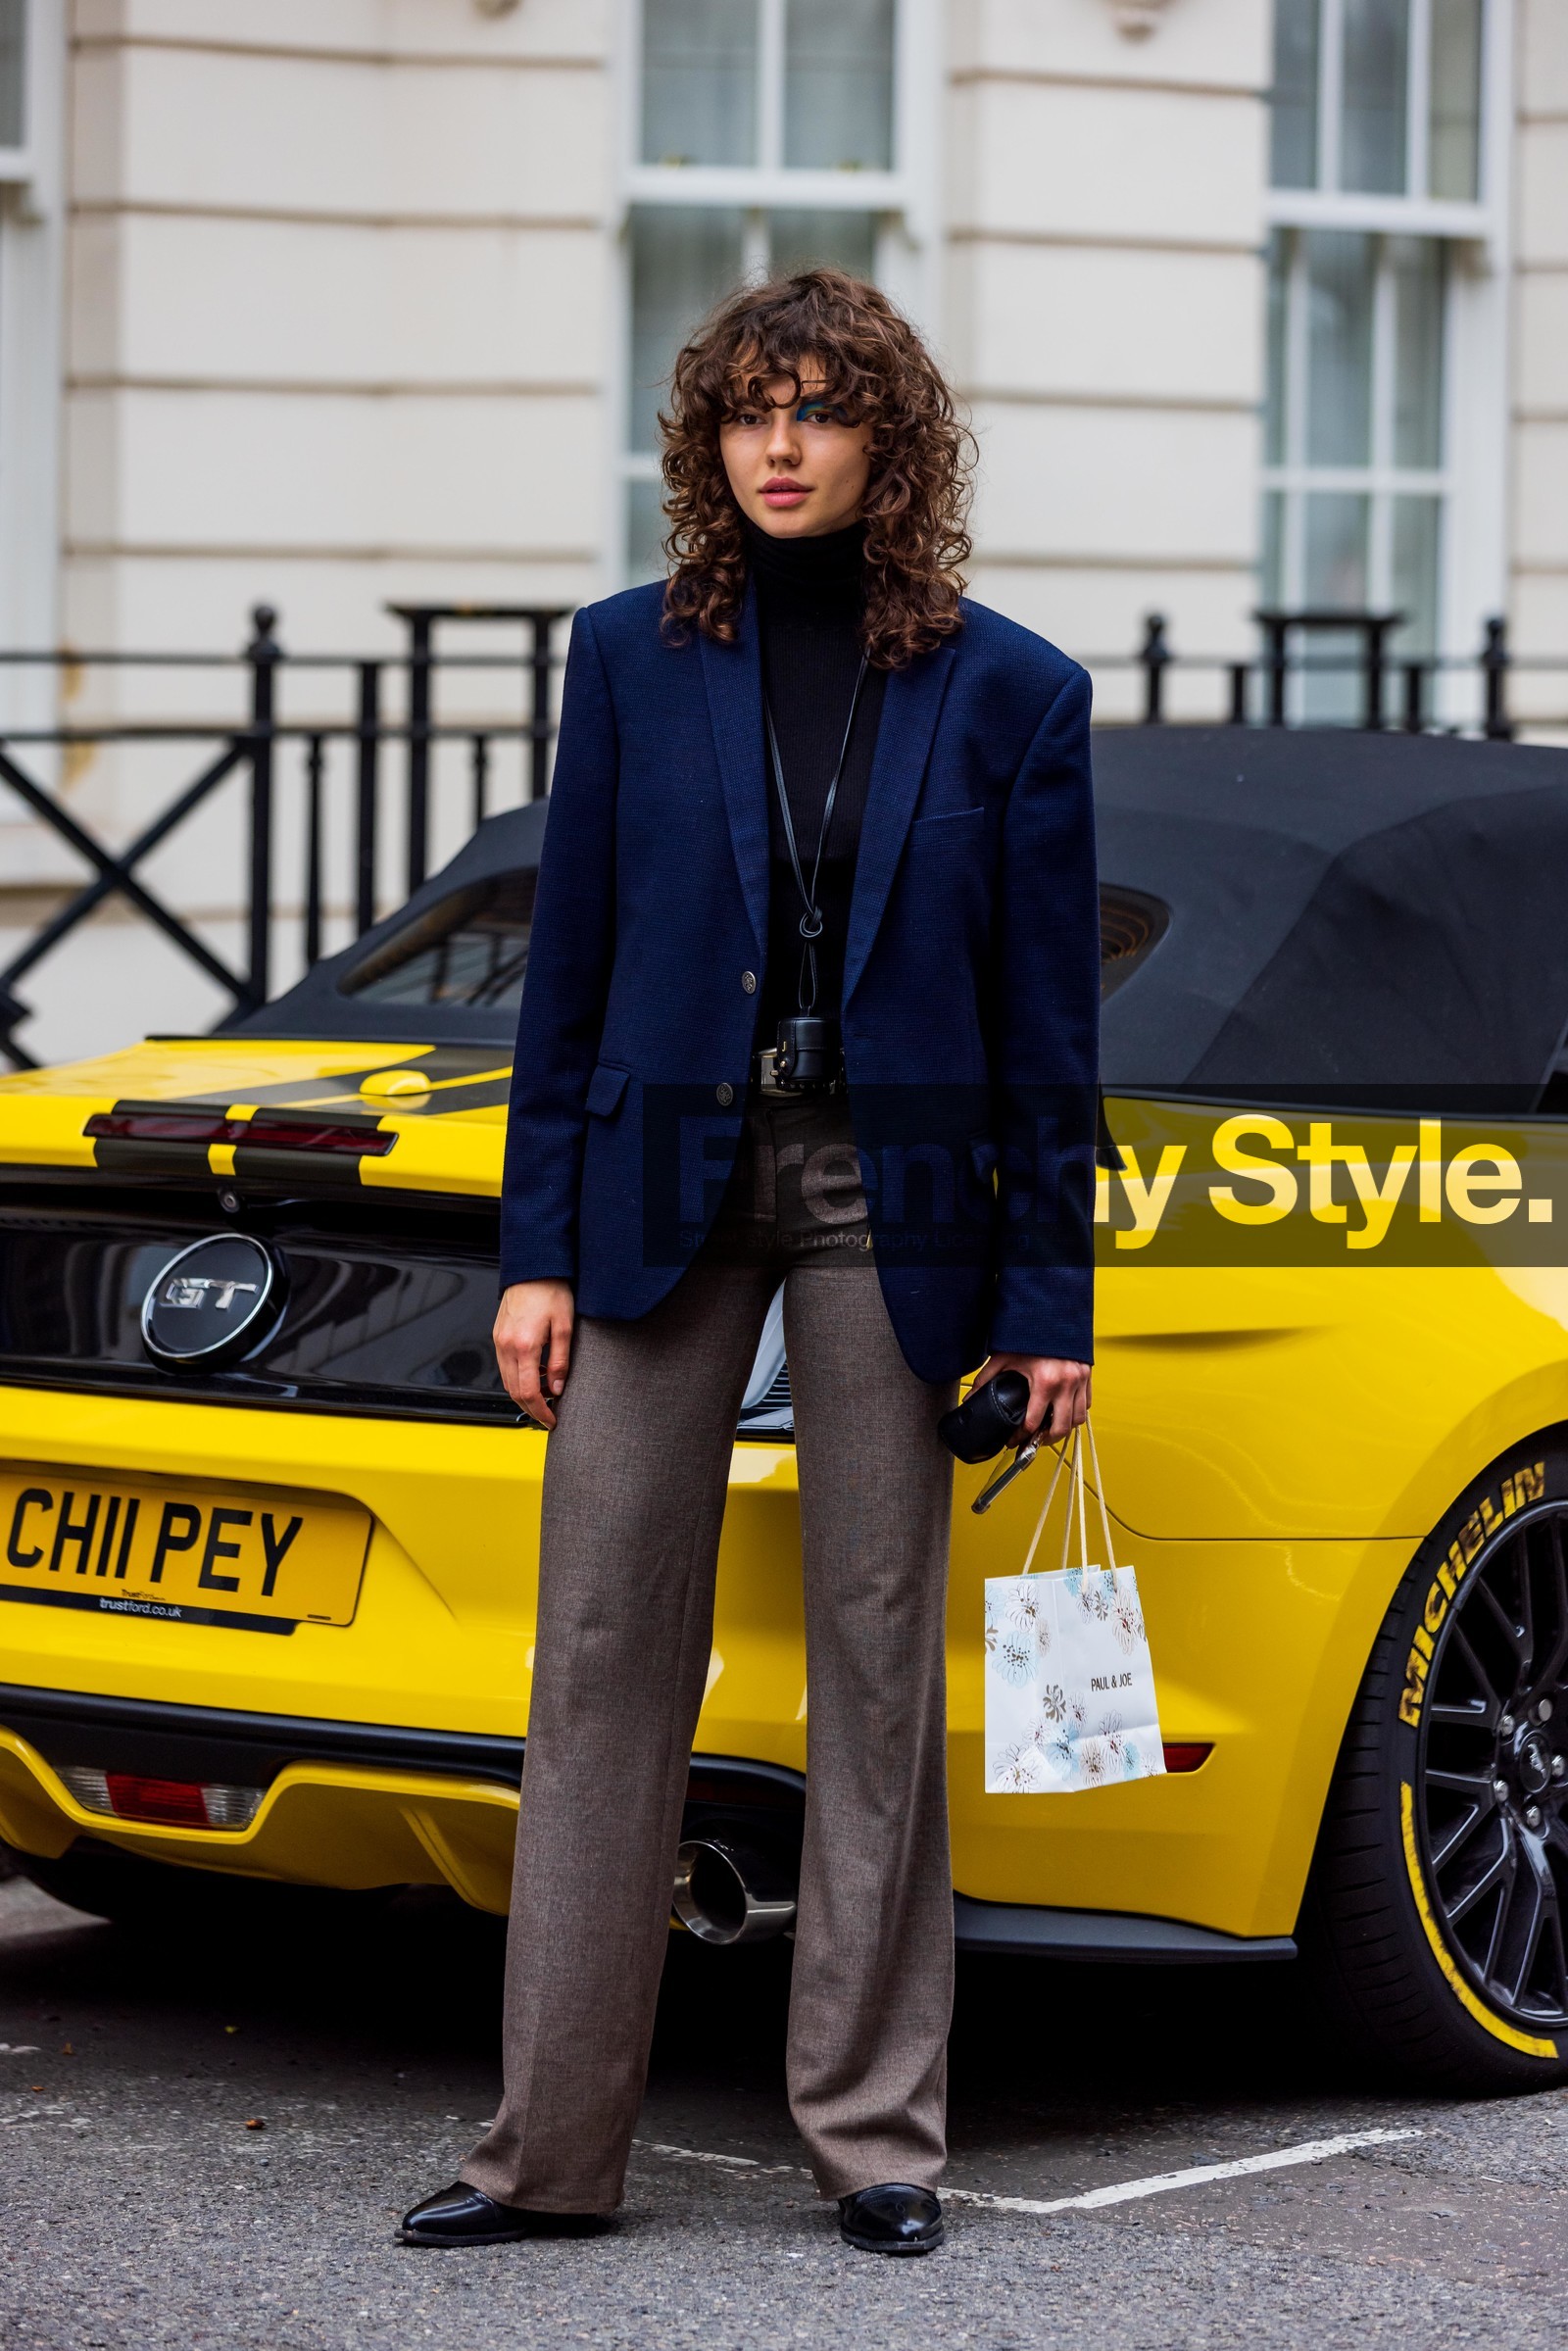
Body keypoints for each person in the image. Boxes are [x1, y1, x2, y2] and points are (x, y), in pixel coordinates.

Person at [401, 269, 1098, 2259]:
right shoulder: (629, 656)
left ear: (891, 440)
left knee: (878, 1659)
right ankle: (548, 2152)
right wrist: (531, 1251)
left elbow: (1050, 1030)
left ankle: (876, 2137)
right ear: (707, 444)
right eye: (743, 414)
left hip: (901, 1195)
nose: (778, 446)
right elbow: (571, 975)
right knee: (603, 1654)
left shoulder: (1010, 689)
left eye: (818, 411)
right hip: (655, 1192)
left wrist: (1043, 1301)